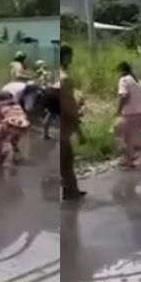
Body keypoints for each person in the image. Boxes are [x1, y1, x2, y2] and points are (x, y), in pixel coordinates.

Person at [59, 44, 86, 200]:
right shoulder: (65, 79)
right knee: (66, 159)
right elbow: (69, 107)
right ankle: (70, 191)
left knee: (64, 159)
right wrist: (79, 130)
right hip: (63, 125)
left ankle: (70, 189)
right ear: (67, 57)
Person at [114, 61, 141, 168]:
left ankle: (128, 159)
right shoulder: (140, 82)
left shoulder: (123, 80)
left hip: (130, 112)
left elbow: (123, 96)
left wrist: (118, 110)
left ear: (121, 71)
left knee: (118, 133)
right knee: (131, 136)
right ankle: (131, 156)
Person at [0, 91, 30, 165]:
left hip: (9, 125)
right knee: (14, 140)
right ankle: (16, 156)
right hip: (22, 126)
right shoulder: (17, 105)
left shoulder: (0, 106)